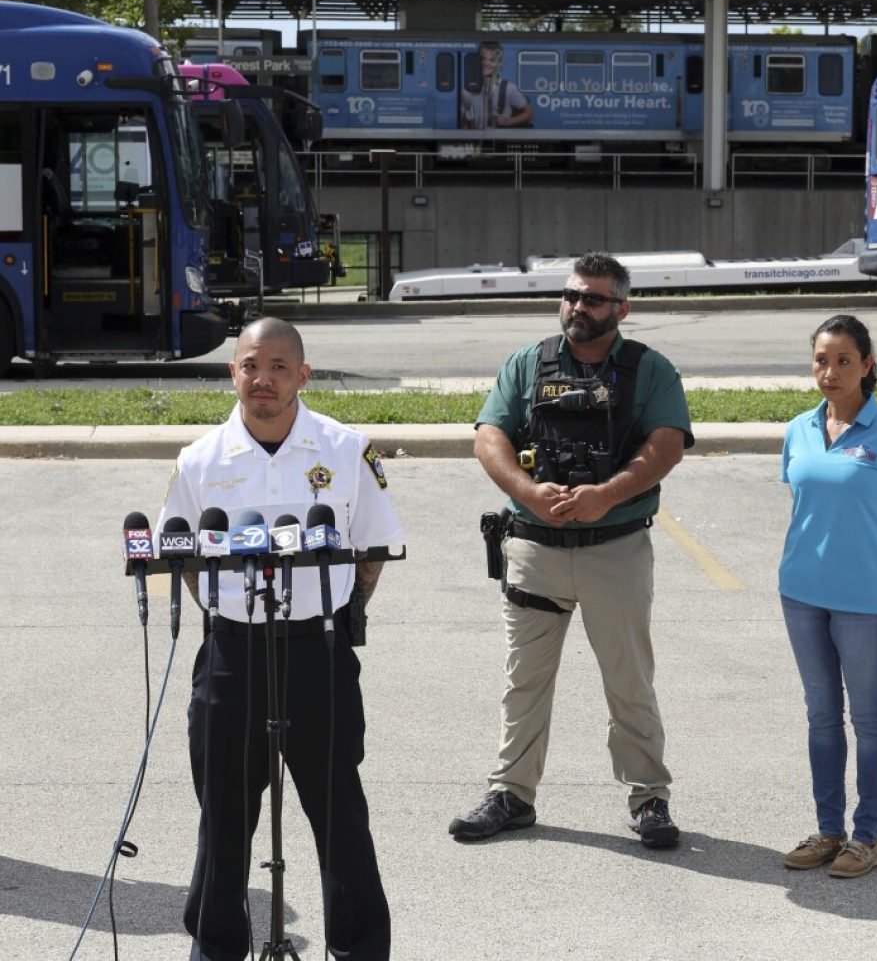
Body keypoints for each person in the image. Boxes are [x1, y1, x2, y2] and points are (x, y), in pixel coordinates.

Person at [157, 317, 403, 960]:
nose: (262, 380)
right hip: (232, 655)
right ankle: (216, 948)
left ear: (303, 375)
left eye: (277, 367)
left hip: (316, 652)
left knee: (338, 812)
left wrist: (338, 619)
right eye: (249, 366)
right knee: (225, 817)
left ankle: (358, 949)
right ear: (232, 372)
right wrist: (223, 614)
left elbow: (372, 551)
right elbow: (181, 554)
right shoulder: (201, 459)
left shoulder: (346, 450)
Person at [449, 252, 693, 849]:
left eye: (593, 299)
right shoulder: (528, 364)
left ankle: (649, 798)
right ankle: (511, 793)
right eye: (571, 295)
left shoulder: (649, 369)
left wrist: (606, 495)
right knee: (524, 679)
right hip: (536, 546)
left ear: (622, 308)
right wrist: (529, 493)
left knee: (629, 680)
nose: (578, 307)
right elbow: (490, 437)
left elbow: (666, 445)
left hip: (616, 548)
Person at [778, 314, 877, 879]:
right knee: (821, 716)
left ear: (867, 365)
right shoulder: (798, 429)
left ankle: (866, 838)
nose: (831, 371)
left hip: (867, 603)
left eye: (844, 360)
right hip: (801, 596)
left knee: (867, 717)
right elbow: (805, 510)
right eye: (821, 359)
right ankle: (827, 832)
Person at [460, 41, 534, 130]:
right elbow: (464, 123)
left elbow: (529, 114)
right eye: (483, 58)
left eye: (492, 60)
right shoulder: (466, 91)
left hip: (500, 141)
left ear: (499, 64)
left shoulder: (510, 89)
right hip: (477, 141)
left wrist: (508, 122)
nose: (486, 63)